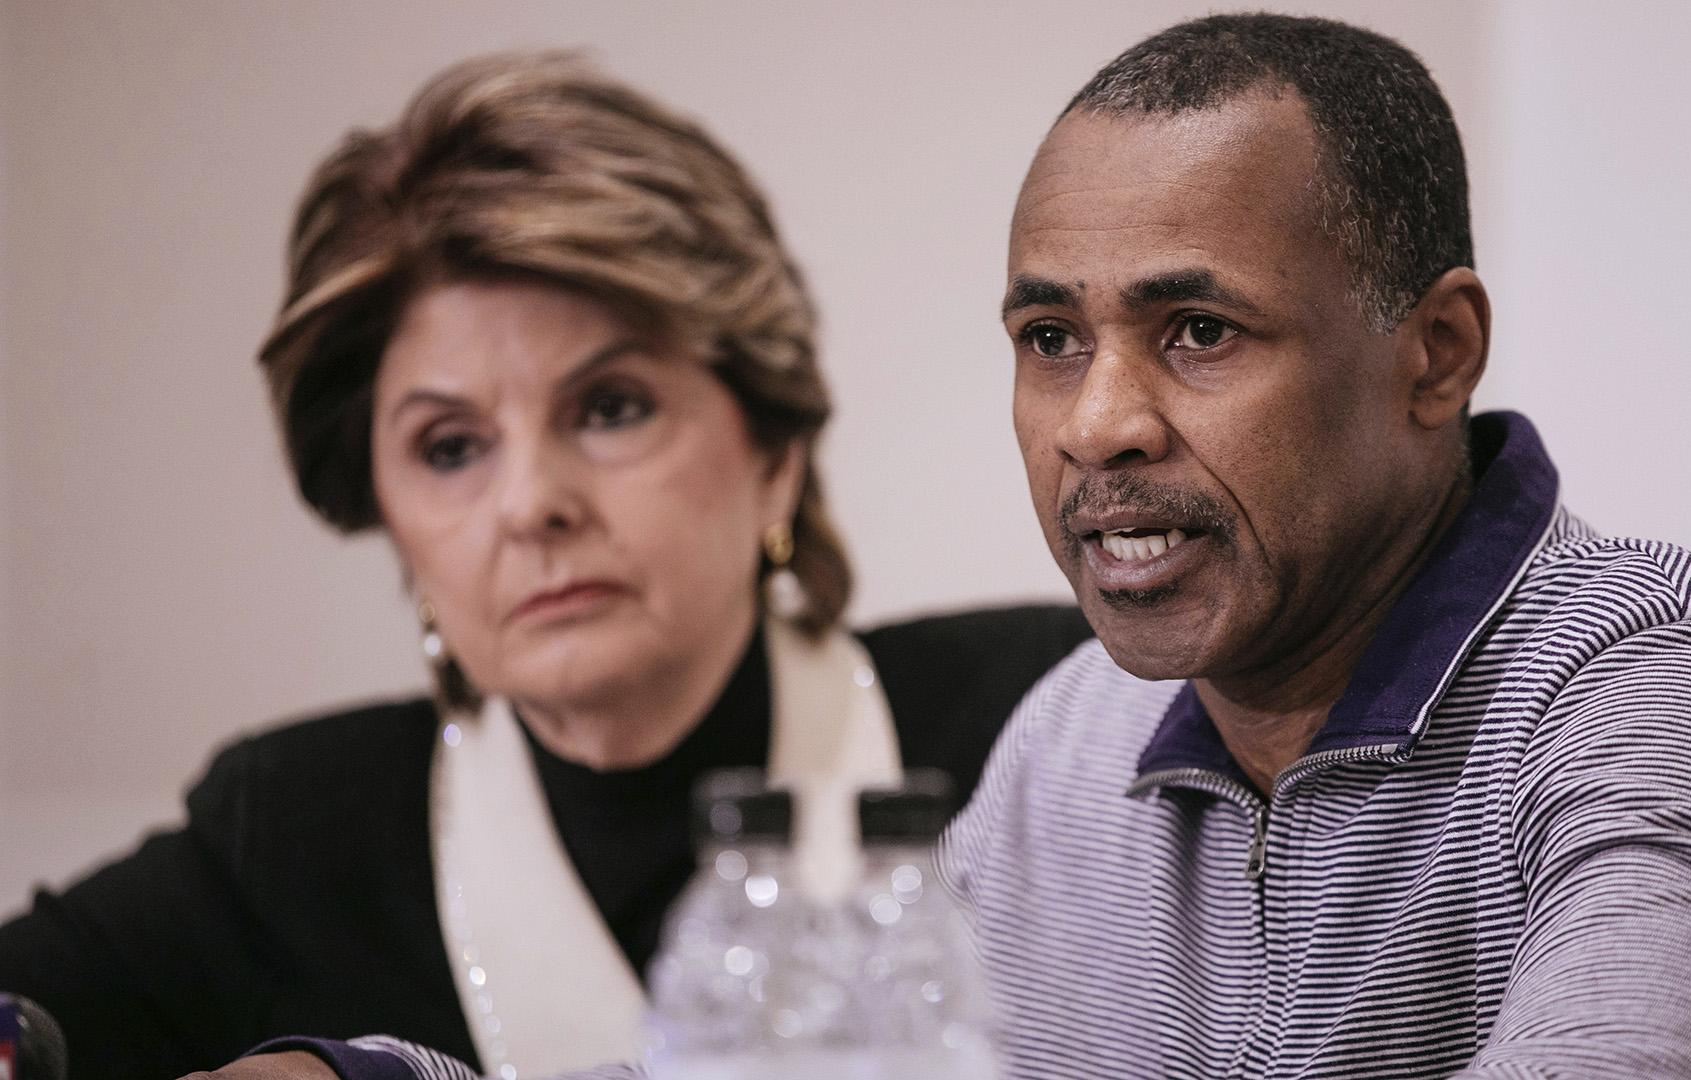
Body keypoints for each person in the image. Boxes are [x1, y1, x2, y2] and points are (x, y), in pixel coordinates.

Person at [179, 13, 1691, 1080]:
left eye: (1199, 331)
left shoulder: (1661, 680)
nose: (1097, 424)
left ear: (1434, 353)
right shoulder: (1071, 744)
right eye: (1047, 338)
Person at [0, 51, 1089, 1080]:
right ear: (384, 508)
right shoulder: (289, 834)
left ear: (774, 454)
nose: (532, 506)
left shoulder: (1053, 721)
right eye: (450, 447)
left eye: (609, 409)